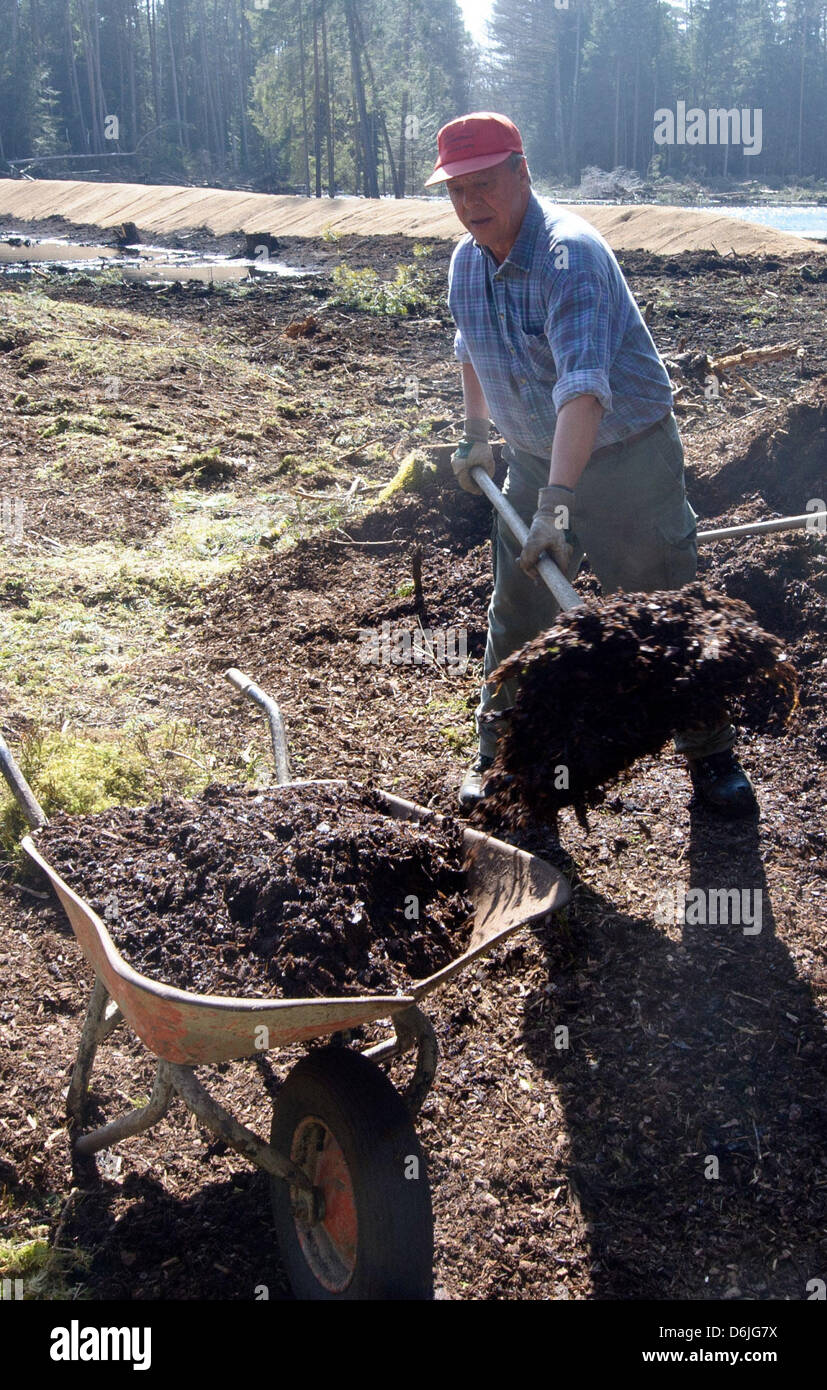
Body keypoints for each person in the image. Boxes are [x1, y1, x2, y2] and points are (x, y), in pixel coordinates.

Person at [424, 111, 757, 818]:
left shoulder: (569, 256)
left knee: (662, 606)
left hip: (627, 457)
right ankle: (496, 757)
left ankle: (709, 753)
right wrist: (476, 433)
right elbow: (470, 347)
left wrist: (556, 506)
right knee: (516, 613)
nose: (469, 203)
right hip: (535, 457)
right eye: (456, 190)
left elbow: (584, 390)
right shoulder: (465, 260)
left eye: (484, 184)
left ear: (522, 172)